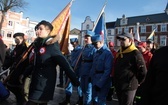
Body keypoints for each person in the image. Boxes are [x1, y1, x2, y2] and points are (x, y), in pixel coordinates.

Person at [23, 20, 79, 105]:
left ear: (48, 31)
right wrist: (24, 74)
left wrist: (75, 80)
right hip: (35, 82)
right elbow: (35, 64)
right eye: (37, 28)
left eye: (40, 29)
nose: (37, 31)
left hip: (44, 84)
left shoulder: (52, 46)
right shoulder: (39, 45)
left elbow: (64, 64)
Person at [113, 32, 147, 105]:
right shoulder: (120, 51)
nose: (121, 41)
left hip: (129, 85)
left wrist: (138, 82)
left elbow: (143, 71)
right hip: (119, 85)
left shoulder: (135, 53)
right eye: (120, 39)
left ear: (130, 40)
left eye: (123, 39)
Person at [3, 32, 28, 105]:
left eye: (18, 39)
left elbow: (25, 62)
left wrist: (23, 73)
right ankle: (20, 100)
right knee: (11, 86)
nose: (16, 40)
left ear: (22, 39)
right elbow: (12, 58)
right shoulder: (16, 48)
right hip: (14, 70)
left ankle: (21, 101)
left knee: (16, 87)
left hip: (20, 71)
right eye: (15, 39)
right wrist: (5, 65)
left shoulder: (24, 49)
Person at [90, 35, 113, 104]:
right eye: (93, 44)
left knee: (101, 101)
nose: (94, 46)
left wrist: (100, 84)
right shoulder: (97, 52)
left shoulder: (107, 53)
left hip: (103, 80)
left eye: (96, 43)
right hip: (95, 78)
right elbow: (94, 66)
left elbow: (107, 71)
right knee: (94, 99)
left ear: (101, 42)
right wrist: (90, 77)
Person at [59, 38, 83, 105]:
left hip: (77, 71)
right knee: (68, 85)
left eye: (73, 43)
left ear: (76, 42)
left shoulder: (81, 50)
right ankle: (67, 100)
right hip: (71, 70)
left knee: (79, 86)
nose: (72, 44)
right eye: (71, 43)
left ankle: (80, 100)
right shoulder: (73, 51)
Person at [78, 30, 96, 105]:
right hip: (83, 72)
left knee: (89, 91)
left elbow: (95, 63)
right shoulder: (84, 48)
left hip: (89, 73)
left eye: (87, 38)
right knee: (83, 89)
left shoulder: (94, 48)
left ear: (91, 38)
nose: (85, 39)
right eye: (85, 37)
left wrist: (91, 74)